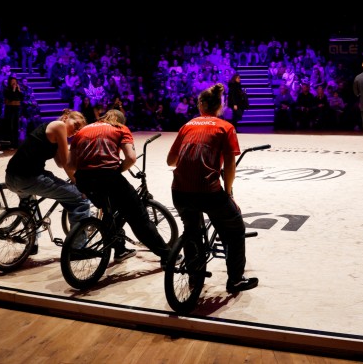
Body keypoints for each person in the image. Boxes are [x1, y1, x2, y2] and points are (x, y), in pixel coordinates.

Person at [166, 83, 258, 294]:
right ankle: (235, 280)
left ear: (201, 105)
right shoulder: (225, 127)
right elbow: (229, 165)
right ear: (220, 105)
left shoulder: (187, 126)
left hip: (179, 191)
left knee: (191, 231)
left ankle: (193, 276)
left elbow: (171, 161)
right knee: (235, 228)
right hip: (208, 191)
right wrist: (227, 191)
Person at [68, 109, 171, 262]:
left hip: (83, 179)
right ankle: (167, 255)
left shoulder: (83, 130)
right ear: (121, 121)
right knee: (139, 218)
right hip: (109, 177)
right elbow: (131, 157)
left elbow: (71, 164)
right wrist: (118, 169)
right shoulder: (120, 128)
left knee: (110, 210)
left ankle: (120, 249)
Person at [4, 109, 92, 255]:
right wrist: (79, 184)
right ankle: (78, 249)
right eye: (76, 124)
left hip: (11, 177)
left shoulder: (52, 129)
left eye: (79, 129)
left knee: (28, 203)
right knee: (80, 199)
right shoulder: (59, 126)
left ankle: (32, 242)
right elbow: (66, 163)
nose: (76, 130)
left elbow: (60, 162)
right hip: (29, 178)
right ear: (65, 118)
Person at [2, 76, 25, 148]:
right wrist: (14, 90)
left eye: (15, 81)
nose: (14, 83)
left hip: (17, 109)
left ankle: (16, 143)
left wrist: (19, 90)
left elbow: (21, 98)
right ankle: (10, 144)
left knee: (16, 126)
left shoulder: (18, 90)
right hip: (10, 109)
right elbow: (10, 98)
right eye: (12, 82)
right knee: (10, 126)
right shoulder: (7, 90)